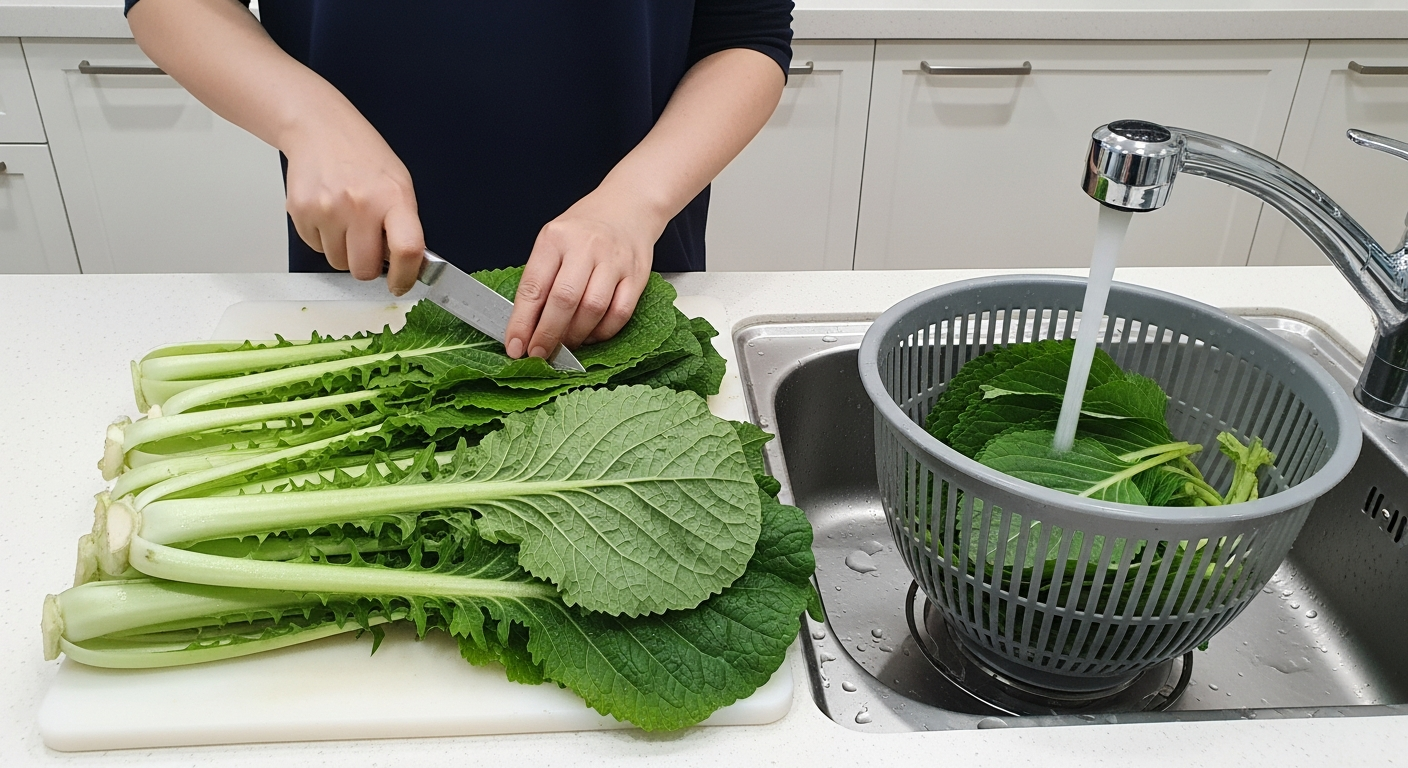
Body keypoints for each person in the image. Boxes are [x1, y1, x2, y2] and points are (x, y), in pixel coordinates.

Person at [125, 1, 791, 360]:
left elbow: (747, 33)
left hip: (614, 299)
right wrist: (307, 118)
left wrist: (633, 203)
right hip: (360, 283)